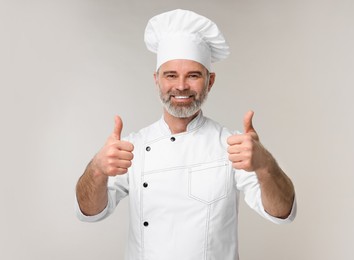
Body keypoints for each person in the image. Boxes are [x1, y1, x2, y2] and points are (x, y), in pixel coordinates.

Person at [75, 9, 296, 260]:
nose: (181, 86)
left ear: (210, 81)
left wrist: (265, 165)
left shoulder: (233, 146)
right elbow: (89, 212)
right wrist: (97, 169)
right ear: (157, 80)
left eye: (193, 75)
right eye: (171, 75)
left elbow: (282, 212)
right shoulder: (133, 147)